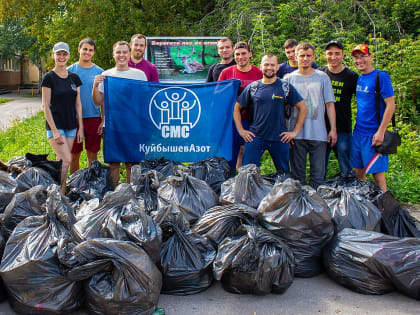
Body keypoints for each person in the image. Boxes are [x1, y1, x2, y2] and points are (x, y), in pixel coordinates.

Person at [234, 54, 308, 172]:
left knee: (283, 173)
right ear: (261, 66)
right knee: (247, 173)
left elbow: (303, 108)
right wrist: (241, 130)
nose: (269, 67)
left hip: (279, 137)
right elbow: (236, 108)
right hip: (255, 137)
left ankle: (282, 191)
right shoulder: (253, 87)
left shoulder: (285, 87)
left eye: (272, 65)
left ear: (277, 67)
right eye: (266, 64)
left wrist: (294, 132)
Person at [92, 41, 147, 187]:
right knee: (113, 163)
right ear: (113, 55)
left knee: (131, 163)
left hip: (133, 126)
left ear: (129, 54)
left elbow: (145, 100)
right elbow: (98, 101)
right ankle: (115, 197)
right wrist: (95, 85)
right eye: (118, 52)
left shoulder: (139, 75)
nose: (121, 55)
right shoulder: (106, 75)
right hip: (112, 126)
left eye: (124, 52)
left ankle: (131, 196)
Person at [285, 42, 337, 188]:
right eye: (302, 56)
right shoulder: (289, 78)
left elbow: (329, 104)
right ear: (296, 57)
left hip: (319, 133)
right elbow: (285, 108)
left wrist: (333, 129)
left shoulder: (322, 77)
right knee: (297, 177)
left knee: (318, 176)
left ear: (313, 56)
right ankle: (299, 206)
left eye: (308, 56)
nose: (305, 59)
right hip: (296, 135)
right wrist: (287, 130)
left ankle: (316, 207)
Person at [350, 44, 395, 192]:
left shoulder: (380, 76)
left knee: (377, 174)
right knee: (358, 171)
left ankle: (386, 206)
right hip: (358, 132)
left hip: (373, 133)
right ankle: (364, 205)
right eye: (356, 57)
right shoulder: (360, 78)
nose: (359, 60)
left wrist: (381, 132)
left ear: (370, 57)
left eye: (363, 56)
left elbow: (390, 104)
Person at [41, 42, 84, 193]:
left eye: (64, 54)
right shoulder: (49, 78)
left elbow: (78, 104)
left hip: (71, 125)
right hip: (56, 126)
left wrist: (80, 129)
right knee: (66, 160)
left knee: (62, 162)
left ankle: (58, 193)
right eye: (58, 54)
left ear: (69, 56)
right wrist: (55, 130)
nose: (61, 57)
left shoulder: (74, 78)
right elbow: (45, 106)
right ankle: (58, 193)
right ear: (53, 56)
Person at [218, 41, 263, 170]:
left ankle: (250, 184)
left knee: (250, 157)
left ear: (250, 54)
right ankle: (228, 184)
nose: (240, 57)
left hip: (253, 120)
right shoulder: (226, 73)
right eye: (237, 54)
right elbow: (218, 96)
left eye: (243, 54)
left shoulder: (258, 73)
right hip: (232, 121)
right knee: (230, 156)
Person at [319, 40, 358, 178]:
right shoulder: (320, 74)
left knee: (345, 166)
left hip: (342, 128)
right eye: (330, 53)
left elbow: (362, 102)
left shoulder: (352, 77)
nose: (333, 57)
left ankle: (349, 195)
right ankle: (319, 195)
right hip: (321, 129)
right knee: (319, 168)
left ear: (343, 55)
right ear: (325, 55)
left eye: (337, 53)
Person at [67, 38, 104, 173]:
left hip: (93, 117)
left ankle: (91, 185)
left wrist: (103, 120)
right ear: (79, 50)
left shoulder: (100, 71)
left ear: (93, 53)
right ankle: (74, 184)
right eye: (85, 49)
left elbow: (104, 98)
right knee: (74, 155)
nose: (87, 52)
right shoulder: (69, 71)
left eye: (90, 50)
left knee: (92, 155)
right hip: (74, 119)